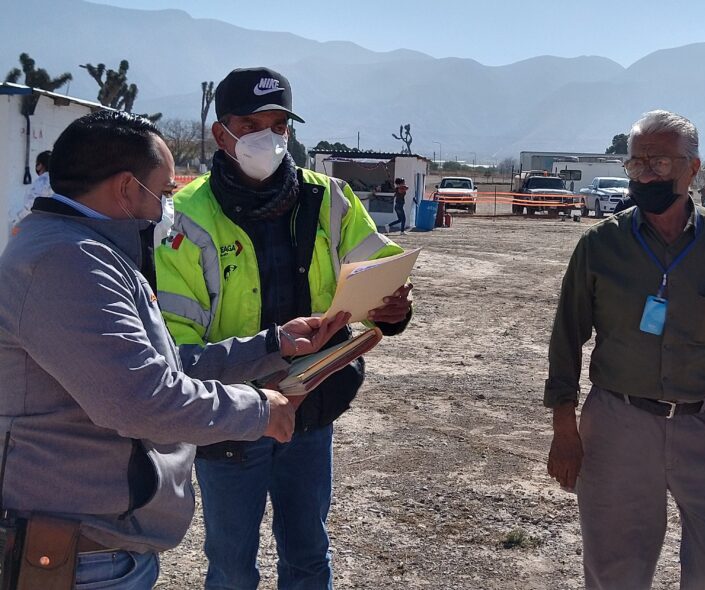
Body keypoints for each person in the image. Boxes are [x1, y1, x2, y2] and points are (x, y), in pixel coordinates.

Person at [0, 109, 349, 589]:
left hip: (94, 548)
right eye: (163, 193)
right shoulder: (68, 261)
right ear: (126, 189)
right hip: (76, 556)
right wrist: (258, 409)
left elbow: (162, 365)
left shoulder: (92, 253)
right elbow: (137, 397)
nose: (168, 208)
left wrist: (273, 345)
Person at [154, 67, 413, 590]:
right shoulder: (183, 217)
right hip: (230, 415)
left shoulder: (330, 199)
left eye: (278, 124)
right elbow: (176, 343)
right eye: (250, 124)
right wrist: (255, 382)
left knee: (309, 553)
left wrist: (393, 307)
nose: (266, 138)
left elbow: (379, 270)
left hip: (311, 404)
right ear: (220, 133)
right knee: (230, 564)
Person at [545, 109, 705, 590]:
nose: (646, 173)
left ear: (693, 168)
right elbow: (567, 337)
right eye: (637, 163)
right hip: (618, 423)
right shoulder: (599, 246)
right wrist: (564, 426)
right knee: (615, 567)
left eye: (660, 163)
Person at [10, 149, 53, 230]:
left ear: (39, 165)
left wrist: (18, 220)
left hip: (39, 224)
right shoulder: (56, 181)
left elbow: (31, 204)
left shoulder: (42, 181)